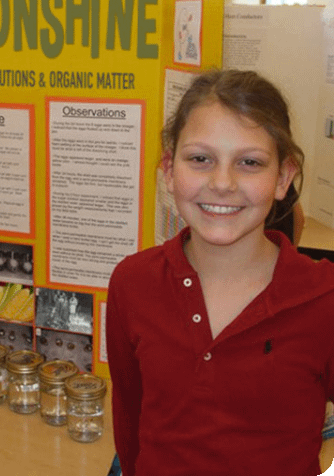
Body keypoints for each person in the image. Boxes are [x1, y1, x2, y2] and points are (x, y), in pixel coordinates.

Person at [106, 69, 334, 476]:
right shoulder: (132, 283)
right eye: (200, 159)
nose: (223, 182)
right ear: (169, 170)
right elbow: (130, 424)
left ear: (283, 177)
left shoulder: (324, 298)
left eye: (249, 162)